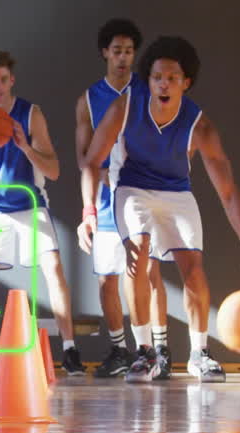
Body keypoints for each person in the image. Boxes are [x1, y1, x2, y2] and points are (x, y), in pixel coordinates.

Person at [79, 36, 240, 383]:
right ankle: (143, 353)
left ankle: (199, 353)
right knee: (137, 253)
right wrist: (88, 212)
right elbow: (92, 162)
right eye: (157, 77)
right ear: (149, 80)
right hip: (133, 188)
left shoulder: (198, 125)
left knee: (194, 268)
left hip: (176, 193)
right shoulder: (124, 108)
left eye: (172, 78)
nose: (163, 84)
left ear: (186, 82)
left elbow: (228, 192)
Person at [0, 50, 85, 376]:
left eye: (3, 79)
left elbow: (54, 170)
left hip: (30, 203)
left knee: (54, 268)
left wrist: (26, 147)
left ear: (11, 80)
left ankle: (70, 350)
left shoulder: (31, 115)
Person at [74, 18, 171, 379]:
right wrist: (87, 210)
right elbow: (85, 160)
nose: (124, 58)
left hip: (143, 192)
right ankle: (118, 350)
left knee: (149, 271)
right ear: (105, 53)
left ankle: (160, 350)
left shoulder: (149, 92)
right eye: (117, 51)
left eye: (130, 52)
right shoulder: (88, 101)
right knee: (107, 279)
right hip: (105, 198)